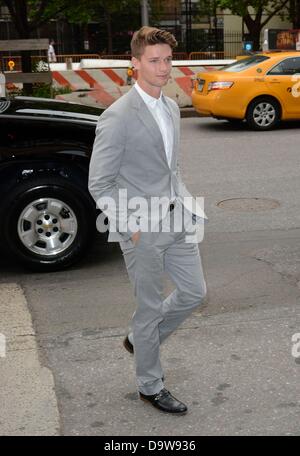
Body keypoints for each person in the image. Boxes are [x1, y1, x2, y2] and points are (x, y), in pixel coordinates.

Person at [88, 26, 207, 415]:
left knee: (194, 293)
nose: (163, 68)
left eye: (168, 60)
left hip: (177, 219)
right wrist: (132, 229)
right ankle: (150, 385)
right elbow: (99, 183)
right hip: (142, 228)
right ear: (135, 63)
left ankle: (139, 340)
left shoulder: (171, 107)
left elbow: (170, 167)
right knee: (150, 309)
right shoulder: (117, 117)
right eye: (154, 61)